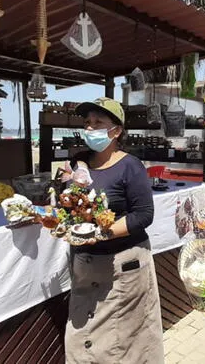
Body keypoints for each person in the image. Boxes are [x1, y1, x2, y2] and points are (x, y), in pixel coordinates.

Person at [64, 97, 164, 364]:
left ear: (116, 130)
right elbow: (71, 207)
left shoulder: (130, 165)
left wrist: (101, 233)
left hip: (124, 266)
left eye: (98, 123)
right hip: (85, 265)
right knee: (81, 337)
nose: (90, 128)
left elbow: (144, 214)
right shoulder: (79, 164)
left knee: (125, 342)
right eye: (87, 123)